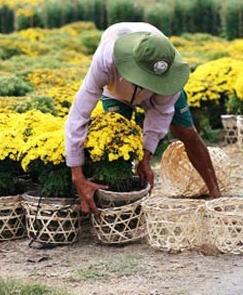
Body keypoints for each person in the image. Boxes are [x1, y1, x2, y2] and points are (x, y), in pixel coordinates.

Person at [65, 22, 222, 214]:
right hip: (117, 92)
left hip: (160, 89)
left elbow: (161, 114)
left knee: (187, 132)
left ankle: (216, 194)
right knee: (115, 141)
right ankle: (117, 204)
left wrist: (146, 157)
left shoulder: (169, 72)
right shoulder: (106, 61)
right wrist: (77, 175)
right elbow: (79, 114)